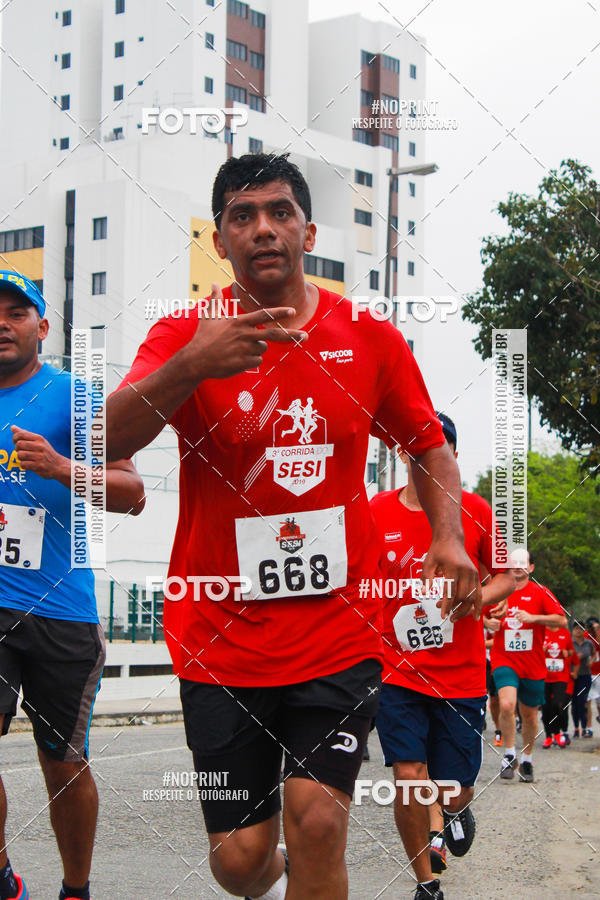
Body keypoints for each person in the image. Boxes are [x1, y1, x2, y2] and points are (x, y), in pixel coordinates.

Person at [105, 153, 481, 900]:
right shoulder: (184, 333)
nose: (263, 229)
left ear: (308, 230)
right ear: (221, 240)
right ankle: (266, 879)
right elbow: (104, 442)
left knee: (317, 822)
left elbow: (427, 445)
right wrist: (190, 367)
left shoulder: (368, 337)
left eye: (279, 212)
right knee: (239, 861)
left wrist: (449, 536)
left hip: (337, 632)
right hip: (218, 638)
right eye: (242, 217)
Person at [0, 272, 145, 900]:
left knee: (63, 761)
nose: (2, 322)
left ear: (42, 327)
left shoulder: (78, 397)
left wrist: (62, 468)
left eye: (16, 311)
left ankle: (75, 888)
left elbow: (133, 494)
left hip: (60, 608)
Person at [370, 414, 514, 900]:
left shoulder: (476, 511)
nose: (430, 457)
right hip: (397, 672)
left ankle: (454, 810)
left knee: (453, 788)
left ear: (453, 456)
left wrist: (479, 597)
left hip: (461, 679)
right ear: (405, 456)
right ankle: (425, 884)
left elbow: (510, 575)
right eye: (420, 449)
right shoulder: (377, 512)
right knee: (408, 777)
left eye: (442, 450)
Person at [490, 551, 567, 782]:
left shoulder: (540, 592)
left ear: (531, 568)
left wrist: (534, 618)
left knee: (530, 716)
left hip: (532, 664)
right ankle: (509, 754)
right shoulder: (499, 589)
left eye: (523, 564)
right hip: (504, 659)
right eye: (514, 563)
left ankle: (527, 760)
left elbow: (561, 620)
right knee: (506, 704)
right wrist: (488, 621)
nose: (518, 567)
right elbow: (478, 612)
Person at [541, 624, 574, 747]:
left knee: (557, 704)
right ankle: (548, 736)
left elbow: (571, 651)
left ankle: (558, 733)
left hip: (561, 676)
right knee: (545, 707)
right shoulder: (542, 631)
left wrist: (567, 653)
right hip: (544, 676)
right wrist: (541, 649)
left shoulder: (565, 633)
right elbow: (534, 650)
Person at [571, 622, 595, 738]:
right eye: (576, 629)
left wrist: (591, 660)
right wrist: (574, 657)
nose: (578, 631)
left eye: (580, 629)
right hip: (573, 676)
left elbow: (594, 653)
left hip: (585, 676)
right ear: (573, 631)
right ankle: (576, 728)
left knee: (582, 701)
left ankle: (584, 727)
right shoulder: (570, 643)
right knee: (574, 703)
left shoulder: (588, 643)